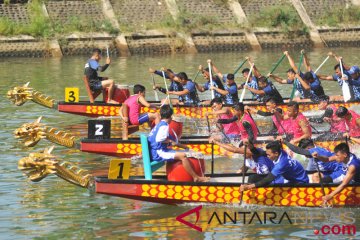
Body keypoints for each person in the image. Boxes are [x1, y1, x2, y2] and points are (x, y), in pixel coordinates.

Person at [148, 105, 209, 182]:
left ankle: (195, 176)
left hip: (156, 151)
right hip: (158, 153)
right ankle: (196, 177)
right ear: (170, 117)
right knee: (183, 156)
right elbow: (159, 139)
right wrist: (170, 142)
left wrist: (184, 147)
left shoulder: (159, 125)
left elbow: (169, 140)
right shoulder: (164, 126)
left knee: (180, 152)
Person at [240, 141, 309, 192]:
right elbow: (260, 153)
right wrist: (250, 146)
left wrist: (249, 186)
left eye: (269, 155)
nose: (267, 156)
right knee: (253, 177)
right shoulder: (280, 151)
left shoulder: (282, 164)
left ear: (276, 153)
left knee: (264, 181)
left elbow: (268, 179)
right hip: (290, 179)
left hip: (300, 183)